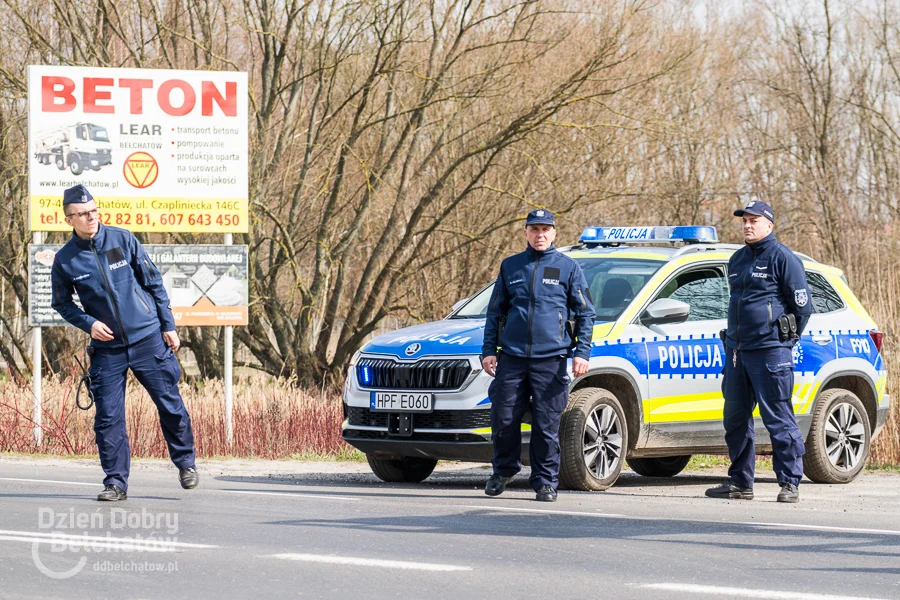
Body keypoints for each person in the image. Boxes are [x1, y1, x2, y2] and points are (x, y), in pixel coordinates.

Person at [51, 184, 199, 501]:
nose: (90, 218)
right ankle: (115, 483)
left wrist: (167, 325)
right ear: (69, 219)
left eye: (93, 211)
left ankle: (186, 463)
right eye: (82, 214)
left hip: (147, 338)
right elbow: (61, 304)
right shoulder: (65, 260)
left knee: (170, 405)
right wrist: (89, 324)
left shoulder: (122, 238)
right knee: (108, 418)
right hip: (107, 350)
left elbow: (153, 282)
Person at [481, 209, 595, 502]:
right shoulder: (511, 267)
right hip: (512, 359)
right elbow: (495, 312)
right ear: (526, 233)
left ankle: (545, 481)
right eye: (534, 229)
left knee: (546, 426)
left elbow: (586, 313)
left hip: (552, 359)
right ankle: (503, 471)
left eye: (545, 229)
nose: (540, 235)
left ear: (554, 233)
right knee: (503, 419)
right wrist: (488, 351)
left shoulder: (568, 268)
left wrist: (581, 352)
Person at [706, 200, 812, 503]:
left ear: (769, 225)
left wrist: (782, 341)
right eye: (744, 221)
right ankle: (740, 482)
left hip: (770, 353)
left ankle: (790, 482)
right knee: (735, 419)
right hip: (737, 351)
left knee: (778, 418)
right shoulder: (737, 259)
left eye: (754, 220)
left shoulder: (783, 258)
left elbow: (801, 309)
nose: (748, 225)